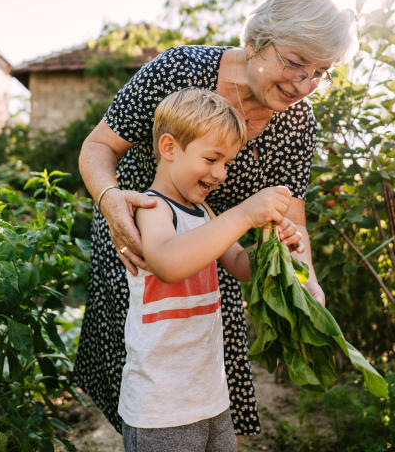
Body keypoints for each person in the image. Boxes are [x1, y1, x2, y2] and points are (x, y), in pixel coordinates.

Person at [75, 0, 359, 435]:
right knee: (145, 371)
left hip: (214, 243)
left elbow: (292, 220)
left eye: (320, 72)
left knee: (207, 368)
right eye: (295, 63)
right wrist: (113, 204)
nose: (305, 85)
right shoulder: (178, 70)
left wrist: (306, 284)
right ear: (254, 44)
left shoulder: (297, 122)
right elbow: (98, 147)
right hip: (136, 234)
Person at [120, 88, 302, 452]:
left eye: (228, 163)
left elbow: (238, 265)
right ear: (169, 148)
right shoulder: (153, 208)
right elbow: (170, 264)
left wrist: (272, 247)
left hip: (210, 395)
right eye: (212, 158)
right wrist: (245, 213)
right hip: (161, 406)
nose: (220, 173)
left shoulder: (203, 213)